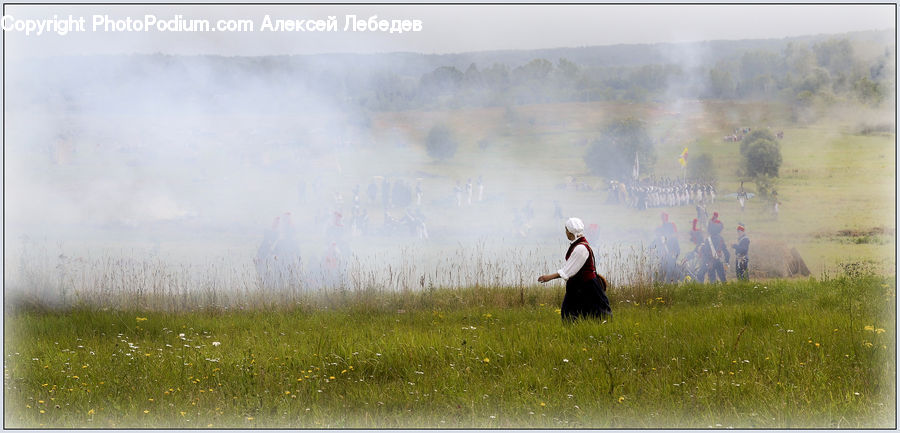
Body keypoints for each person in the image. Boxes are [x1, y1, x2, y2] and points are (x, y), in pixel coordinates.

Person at [537, 217, 612, 321]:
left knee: (596, 315)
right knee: (575, 315)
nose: (566, 232)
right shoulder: (578, 245)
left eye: (566, 230)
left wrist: (548, 277)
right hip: (580, 285)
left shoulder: (580, 248)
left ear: (570, 232)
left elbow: (567, 272)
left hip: (586, 286)